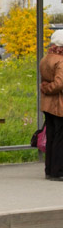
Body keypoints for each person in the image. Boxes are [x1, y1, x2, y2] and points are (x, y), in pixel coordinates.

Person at [39, 29, 63, 181]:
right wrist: (48, 88)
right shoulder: (60, 60)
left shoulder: (45, 58)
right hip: (59, 105)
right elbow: (60, 83)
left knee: (51, 136)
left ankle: (49, 169)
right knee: (60, 138)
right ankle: (58, 170)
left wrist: (45, 88)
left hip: (47, 105)